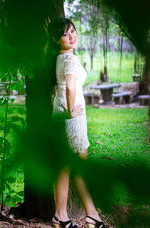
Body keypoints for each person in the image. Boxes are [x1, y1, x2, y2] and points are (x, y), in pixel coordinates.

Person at [49, 18, 107, 228]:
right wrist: (72, 111)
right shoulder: (70, 60)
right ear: (57, 40)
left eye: (73, 31)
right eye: (65, 34)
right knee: (67, 166)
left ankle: (91, 214)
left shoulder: (60, 58)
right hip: (71, 118)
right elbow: (70, 88)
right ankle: (61, 215)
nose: (72, 36)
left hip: (62, 115)